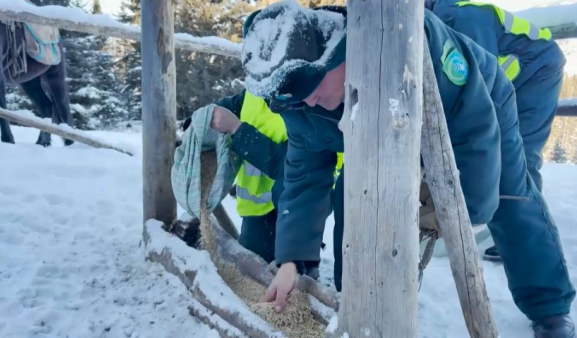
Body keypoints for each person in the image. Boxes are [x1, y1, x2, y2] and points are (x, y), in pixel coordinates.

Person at [240, 2, 575, 336]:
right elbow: (304, 173)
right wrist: (291, 261)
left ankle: (549, 308)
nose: (308, 102)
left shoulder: (418, 38)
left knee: (508, 192)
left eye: (312, 89)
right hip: (394, 116)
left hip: (485, 95)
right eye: (296, 99)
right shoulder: (299, 101)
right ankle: (357, 300)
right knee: (353, 190)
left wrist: (464, 209)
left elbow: (474, 125)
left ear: (332, 54)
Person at [427, 0, 566, 263]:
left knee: (519, 159)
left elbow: (476, 94)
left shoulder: (464, 22)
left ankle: (522, 243)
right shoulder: (440, 22)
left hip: (538, 70)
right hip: (516, 77)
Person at [194, 89, 342, 278]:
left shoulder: (303, 100)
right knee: (252, 275)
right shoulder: (257, 89)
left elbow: (291, 166)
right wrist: (205, 116)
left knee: (292, 275)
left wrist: (237, 129)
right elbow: (234, 104)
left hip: (299, 206)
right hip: (257, 209)